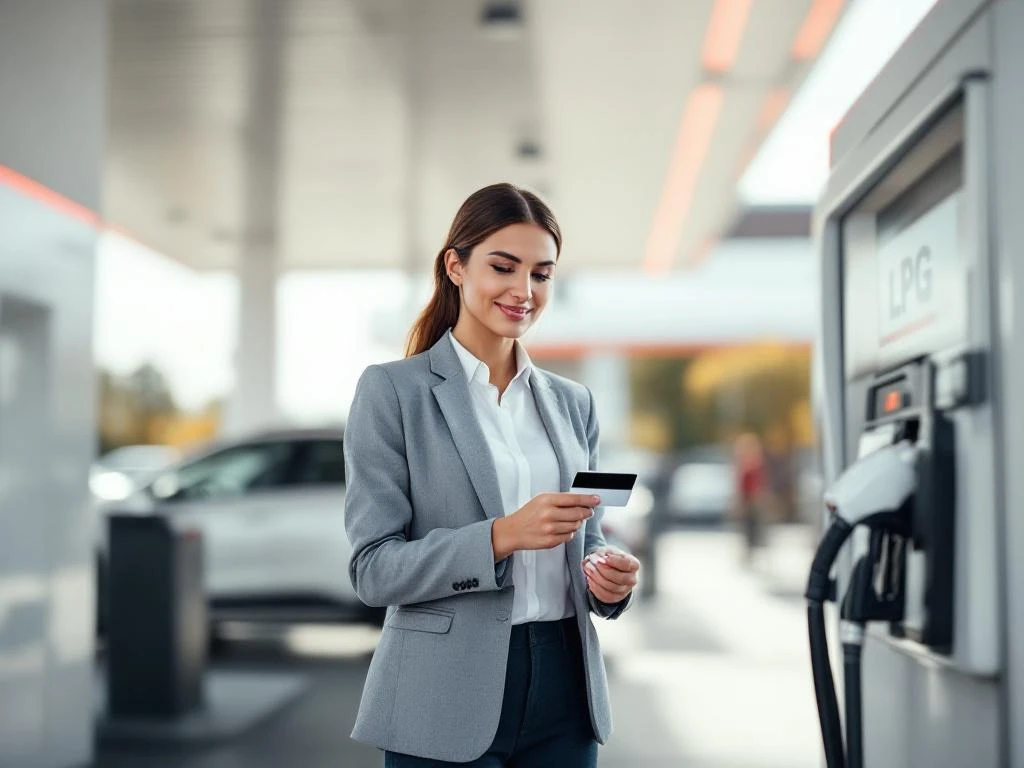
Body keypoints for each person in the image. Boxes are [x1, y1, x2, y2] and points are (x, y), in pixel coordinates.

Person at [343, 182, 640, 767]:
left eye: (541, 274)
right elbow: (373, 570)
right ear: (455, 267)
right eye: (503, 267)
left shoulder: (573, 402)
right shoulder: (392, 393)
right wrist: (502, 536)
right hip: (441, 694)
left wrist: (606, 577)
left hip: (566, 689)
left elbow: (587, 538)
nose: (524, 290)